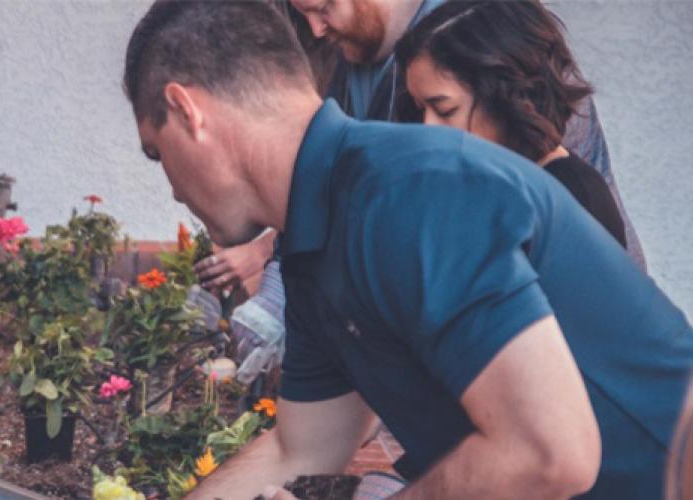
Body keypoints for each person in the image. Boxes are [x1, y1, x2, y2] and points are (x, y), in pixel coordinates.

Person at [121, 1, 693, 498]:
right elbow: (297, 448)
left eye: (156, 151)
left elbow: (551, 453)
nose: (171, 186)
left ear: (188, 111)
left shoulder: (409, 187)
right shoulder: (312, 247)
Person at [195, 0, 644, 296]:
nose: (314, 27)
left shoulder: (489, 36)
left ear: (504, 92)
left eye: (325, 5)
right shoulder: (349, 56)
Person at [395, 0, 626, 248]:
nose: (427, 128)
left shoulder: (572, 200)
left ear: (507, 97)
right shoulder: (482, 188)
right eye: (421, 110)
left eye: (445, 110)